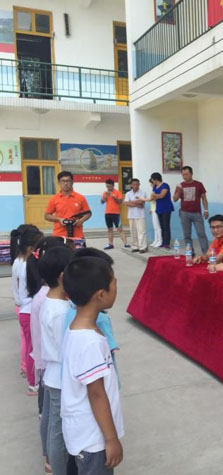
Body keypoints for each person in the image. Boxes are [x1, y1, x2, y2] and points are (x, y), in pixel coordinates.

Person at [61, 256, 124, 472]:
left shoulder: (77, 328)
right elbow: (96, 393)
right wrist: (111, 439)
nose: (116, 287)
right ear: (101, 295)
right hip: (93, 440)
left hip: (85, 433)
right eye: (114, 283)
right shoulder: (89, 342)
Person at [39, 245, 76, 475]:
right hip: (61, 378)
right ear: (63, 276)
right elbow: (68, 348)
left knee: (54, 426)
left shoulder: (50, 301)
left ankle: (53, 463)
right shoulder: (62, 311)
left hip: (53, 373)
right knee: (59, 433)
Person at [10, 225, 43, 394]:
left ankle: (30, 376)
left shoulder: (17, 261)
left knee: (29, 345)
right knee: (33, 349)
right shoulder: (28, 265)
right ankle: (33, 383)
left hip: (22, 307)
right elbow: (33, 289)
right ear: (31, 249)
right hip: (29, 309)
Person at [173, 166, 209, 255]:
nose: (185, 176)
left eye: (187, 174)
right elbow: (175, 199)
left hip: (197, 213)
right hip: (184, 213)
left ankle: (206, 253)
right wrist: (179, 191)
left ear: (191, 174)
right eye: (183, 175)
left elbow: (204, 198)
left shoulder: (199, 184)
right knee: (187, 235)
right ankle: (190, 253)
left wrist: (206, 210)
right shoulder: (180, 186)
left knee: (201, 233)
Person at [44, 171, 92, 239]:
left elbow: (88, 213)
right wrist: (59, 219)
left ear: (72, 182)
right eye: (63, 181)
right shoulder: (54, 199)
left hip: (77, 235)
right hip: (59, 235)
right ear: (59, 183)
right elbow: (47, 216)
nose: (66, 183)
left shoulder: (80, 198)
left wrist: (81, 220)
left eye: (68, 181)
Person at [101, 179, 130, 250]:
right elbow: (102, 202)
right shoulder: (105, 193)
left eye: (110, 186)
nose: (108, 188)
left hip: (116, 214)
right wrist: (105, 197)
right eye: (107, 186)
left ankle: (126, 243)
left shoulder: (117, 192)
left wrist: (114, 197)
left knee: (119, 229)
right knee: (109, 229)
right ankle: (110, 244)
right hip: (107, 213)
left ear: (113, 186)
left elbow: (120, 202)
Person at [148, 172, 174, 249]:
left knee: (166, 225)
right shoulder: (155, 187)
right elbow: (152, 197)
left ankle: (167, 243)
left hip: (166, 208)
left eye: (152, 179)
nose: (152, 181)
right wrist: (155, 195)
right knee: (162, 226)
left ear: (155, 179)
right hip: (159, 208)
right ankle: (163, 242)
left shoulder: (165, 185)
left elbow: (162, 195)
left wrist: (155, 195)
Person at [123, 178, 148, 253]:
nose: (135, 186)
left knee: (141, 232)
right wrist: (137, 204)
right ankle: (135, 246)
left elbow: (141, 202)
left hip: (140, 215)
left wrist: (131, 201)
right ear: (131, 185)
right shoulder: (128, 193)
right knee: (133, 232)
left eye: (137, 184)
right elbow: (126, 203)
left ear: (139, 185)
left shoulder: (142, 192)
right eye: (134, 184)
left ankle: (143, 247)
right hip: (131, 215)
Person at [148, 178, 162, 248]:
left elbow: (152, 199)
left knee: (157, 226)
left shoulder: (156, 190)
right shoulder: (153, 190)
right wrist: (150, 208)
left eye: (151, 183)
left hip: (157, 210)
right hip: (153, 210)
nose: (150, 184)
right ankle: (156, 240)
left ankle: (160, 241)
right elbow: (152, 201)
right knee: (155, 227)